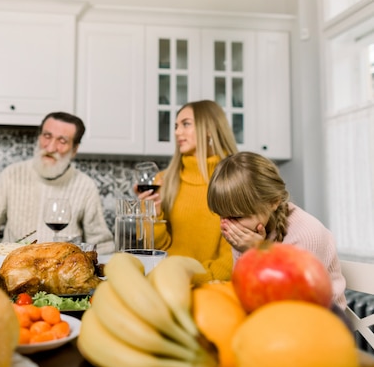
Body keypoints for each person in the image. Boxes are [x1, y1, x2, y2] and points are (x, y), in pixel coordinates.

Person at [0, 112, 114, 254]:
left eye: (62, 141)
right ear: (39, 137)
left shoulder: (86, 186)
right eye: (47, 136)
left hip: (60, 278)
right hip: (13, 274)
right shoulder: (12, 174)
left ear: (74, 149)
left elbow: (101, 244)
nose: (51, 147)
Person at [207, 151, 347, 309]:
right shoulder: (246, 233)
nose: (228, 226)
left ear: (273, 202)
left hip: (320, 321)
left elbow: (291, 302)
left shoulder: (307, 233)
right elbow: (244, 293)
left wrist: (259, 253)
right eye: (222, 216)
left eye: (237, 217)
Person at [138, 100, 239, 283]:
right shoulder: (164, 180)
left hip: (213, 288)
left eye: (186, 124)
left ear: (209, 128)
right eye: (176, 126)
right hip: (164, 285)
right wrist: (152, 215)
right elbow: (154, 250)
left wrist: (193, 279)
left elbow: (232, 255)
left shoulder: (234, 182)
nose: (177, 132)